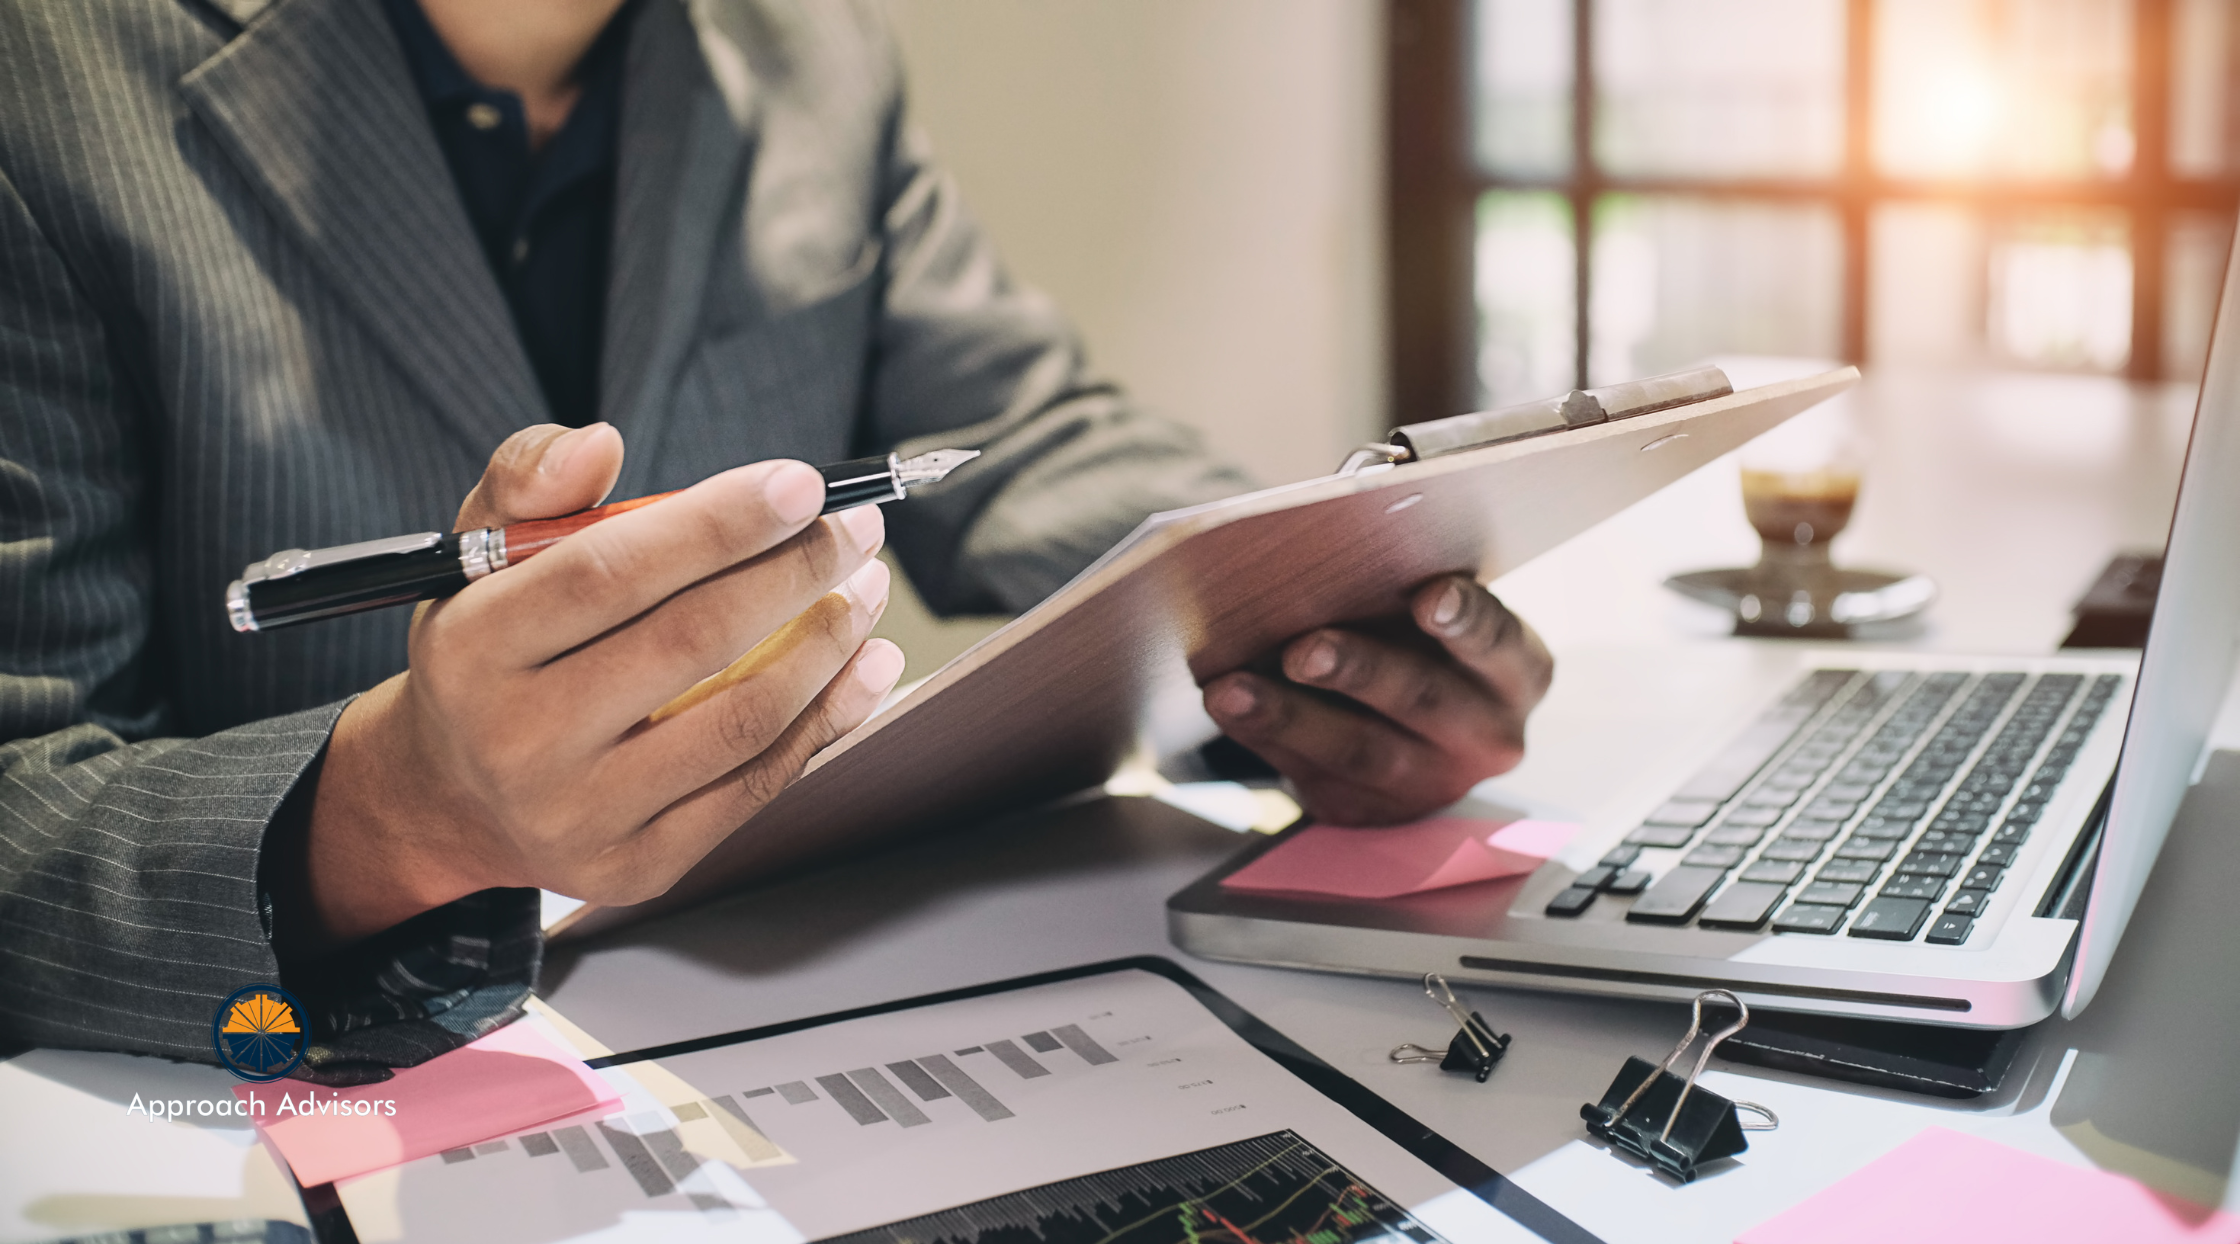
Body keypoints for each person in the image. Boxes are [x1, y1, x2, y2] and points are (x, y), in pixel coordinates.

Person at [0, 0, 1552, 1081]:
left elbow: (1030, 432)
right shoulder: (48, 86)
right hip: (289, 1109)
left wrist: (1317, 609)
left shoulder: (808, 48)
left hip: (761, 1035)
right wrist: (399, 814)